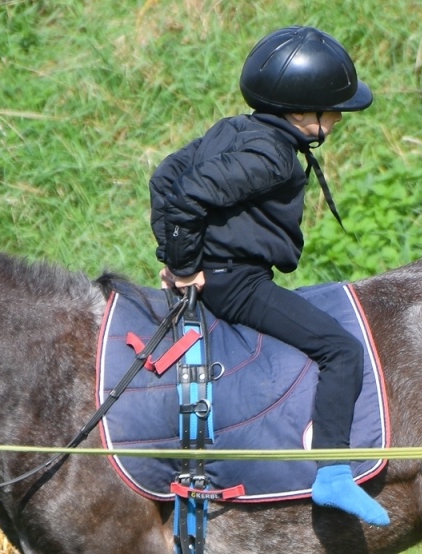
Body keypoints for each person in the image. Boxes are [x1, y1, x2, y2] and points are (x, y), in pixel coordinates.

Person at [149, 26, 389, 526]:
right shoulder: (272, 156)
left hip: (220, 273)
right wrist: (186, 265)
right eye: (334, 112)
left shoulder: (238, 129)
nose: (340, 120)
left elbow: (166, 176)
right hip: (235, 282)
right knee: (340, 349)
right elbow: (189, 196)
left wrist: (173, 257)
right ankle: (333, 474)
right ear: (304, 115)